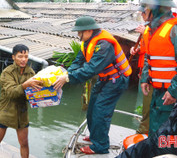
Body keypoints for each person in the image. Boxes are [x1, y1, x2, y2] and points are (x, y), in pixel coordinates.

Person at [54, 16, 131, 154]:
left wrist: (68, 78)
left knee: (101, 111)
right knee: (92, 108)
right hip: (104, 79)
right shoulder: (87, 42)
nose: (78, 35)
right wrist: (67, 73)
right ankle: (96, 136)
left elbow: (91, 68)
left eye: (80, 32)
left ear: (89, 30)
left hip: (116, 80)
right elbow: (78, 61)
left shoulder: (104, 45)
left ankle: (100, 146)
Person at [139, 0, 177, 135]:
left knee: (167, 134)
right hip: (158, 93)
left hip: (173, 95)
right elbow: (149, 57)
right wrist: (146, 77)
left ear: (156, 9)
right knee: (155, 131)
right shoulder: (154, 30)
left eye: (146, 8)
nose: (143, 12)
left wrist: (174, 91)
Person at [0, 44, 43, 158]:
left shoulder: (31, 73)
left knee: (24, 143)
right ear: (13, 57)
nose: (23, 60)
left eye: (26, 56)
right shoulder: (7, 72)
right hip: (6, 110)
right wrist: (25, 85)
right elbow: (11, 93)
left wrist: (45, 93)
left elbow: (33, 95)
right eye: (20, 56)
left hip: (22, 112)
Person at [130, 6, 153, 134]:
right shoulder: (147, 30)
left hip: (153, 75)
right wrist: (136, 50)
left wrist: (145, 32)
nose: (143, 16)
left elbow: (154, 50)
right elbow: (146, 50)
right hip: (144, 72)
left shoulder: (151, 31)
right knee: (144, 104)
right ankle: (143, 127)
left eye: (144, 13)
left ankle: (144, 131)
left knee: (148, 105)